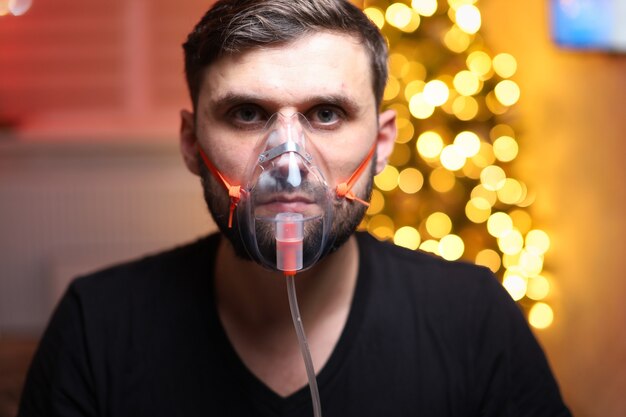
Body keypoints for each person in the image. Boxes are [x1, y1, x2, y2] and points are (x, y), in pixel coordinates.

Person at [18, 0, 572, 416]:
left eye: (326, 113)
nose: (288, 164)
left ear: (381, 144)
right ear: (191, 143)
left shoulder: (473, 321)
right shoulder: (98, 329)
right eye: (247, 113)